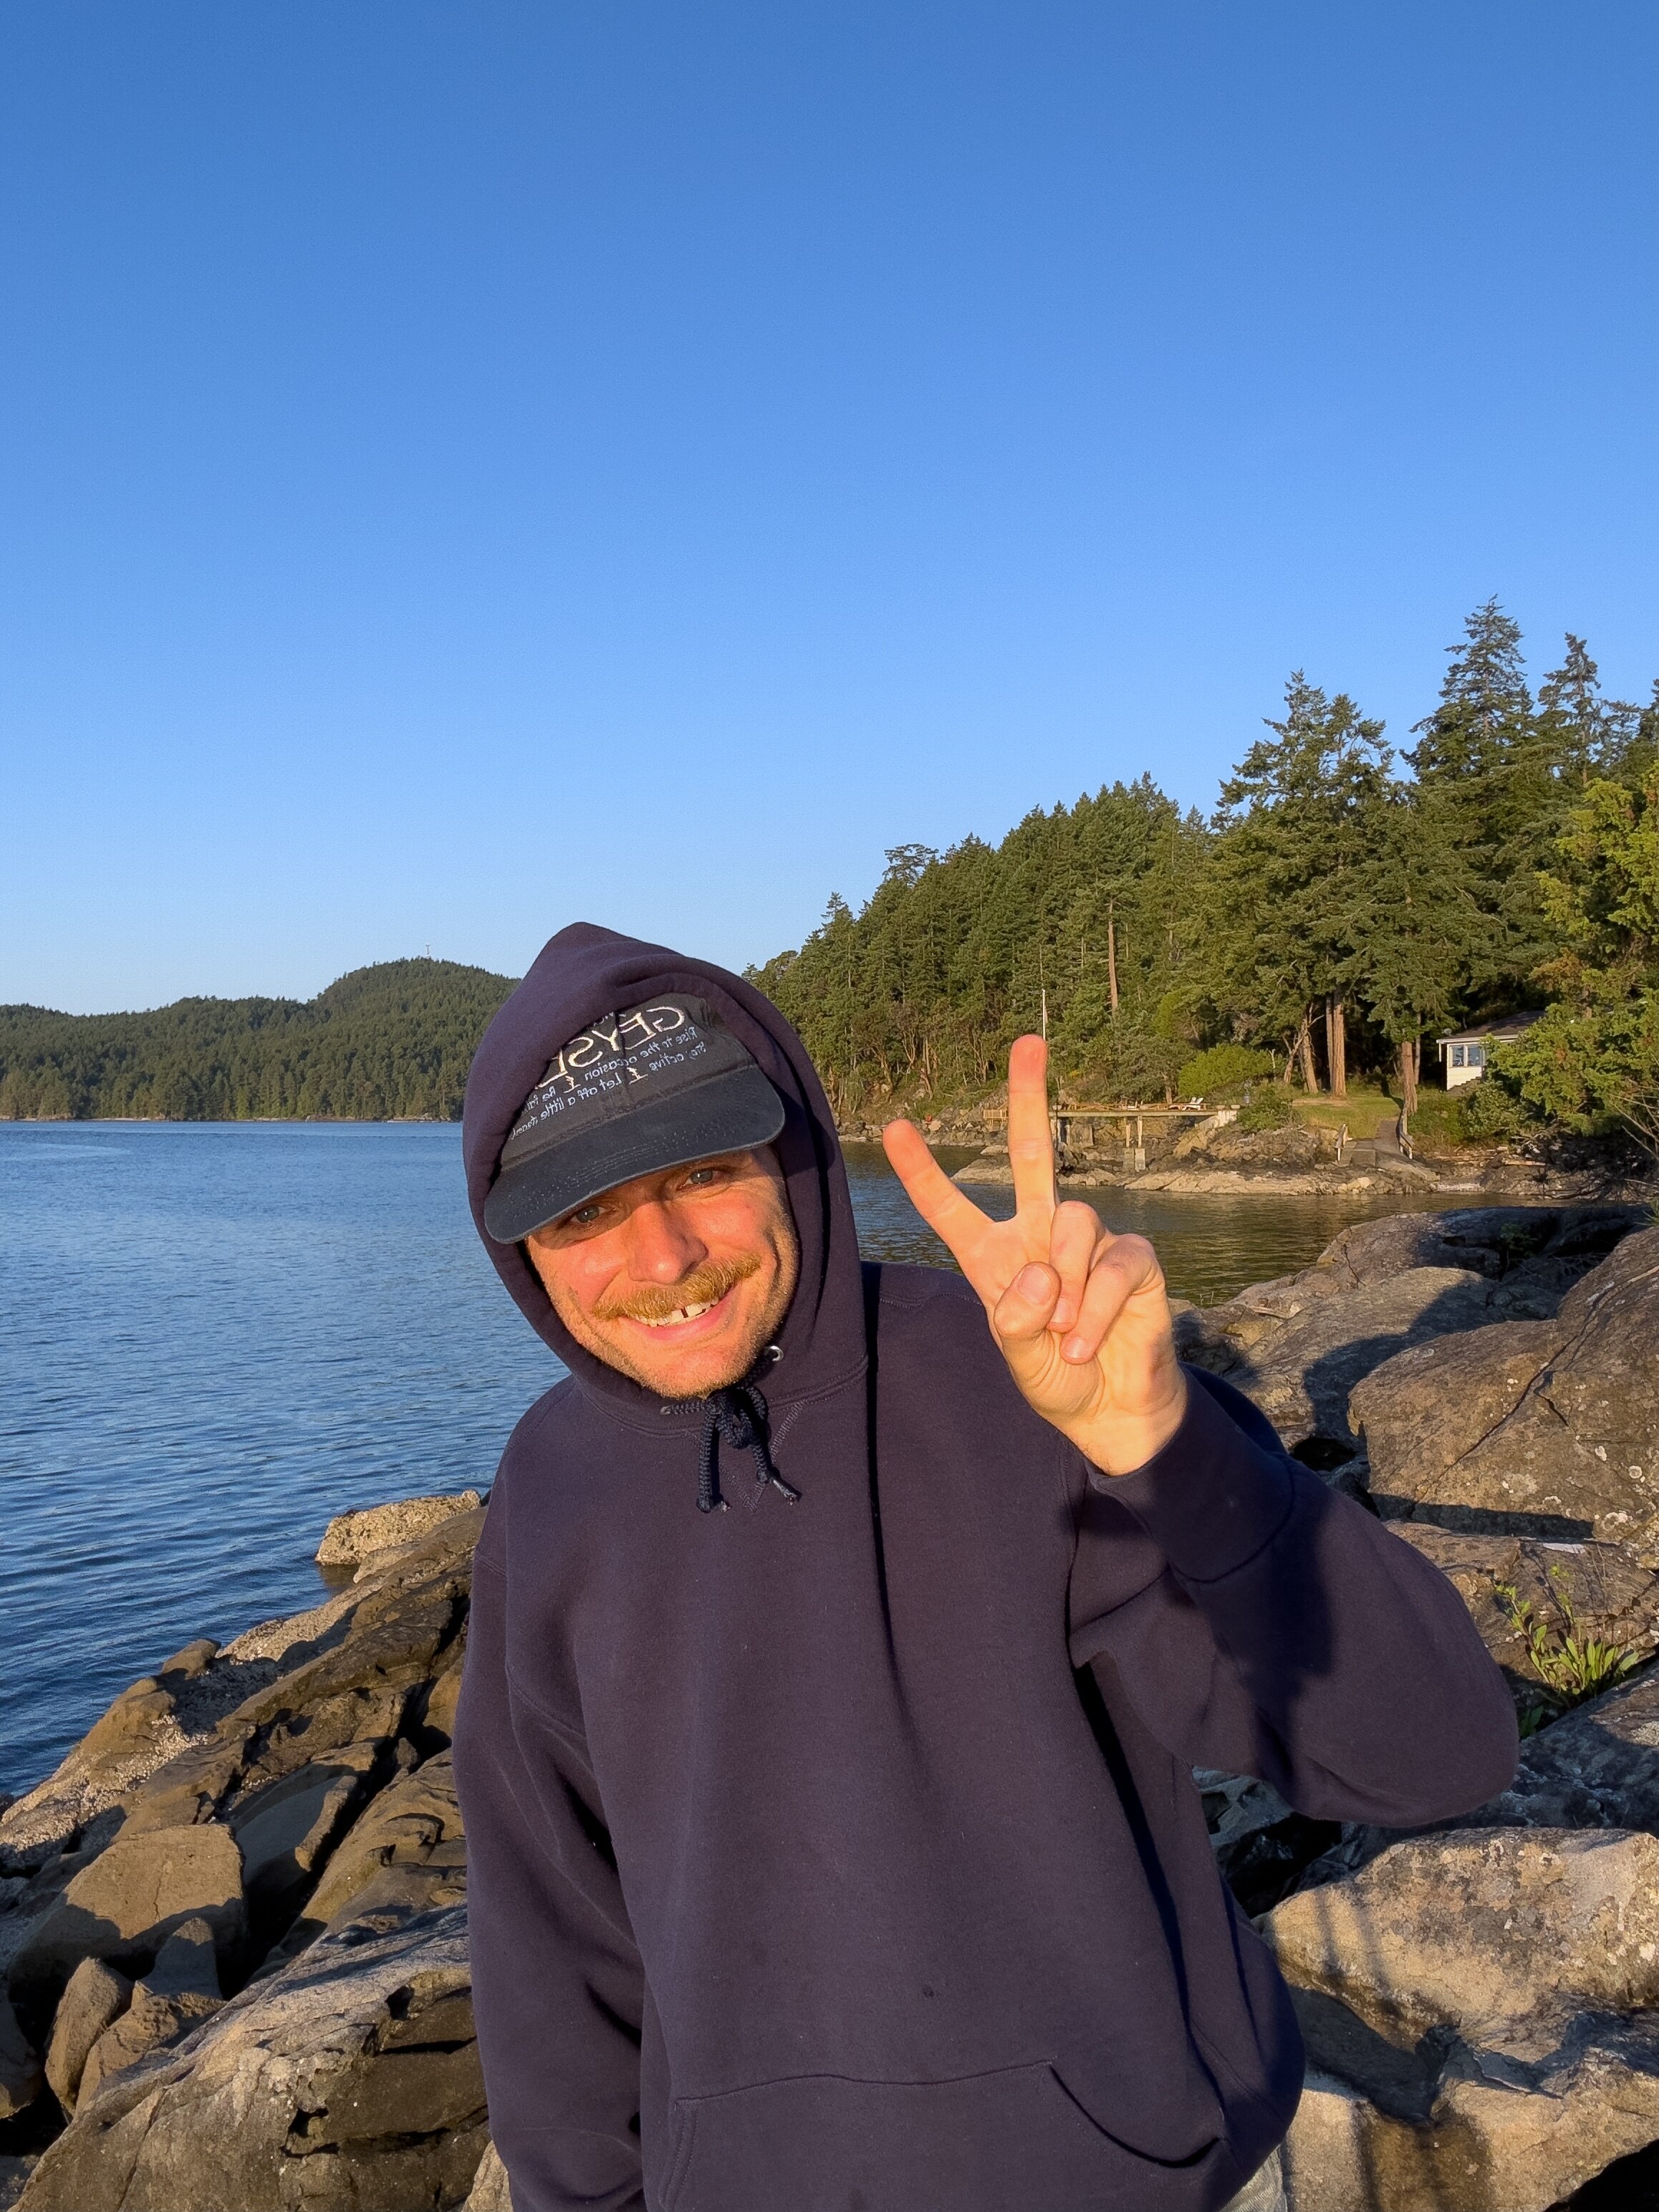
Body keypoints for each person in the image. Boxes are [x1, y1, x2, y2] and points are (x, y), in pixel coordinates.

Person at [456, 923, 1518, 2212]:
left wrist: (1166, 1451)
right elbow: (549, 1920)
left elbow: (1433, 1753)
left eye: (702, 1170)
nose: (664, 1257)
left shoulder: (1033, 1388)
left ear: (789, 1153)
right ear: (520, 1251)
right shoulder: (550, 1486)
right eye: (586, 1212)